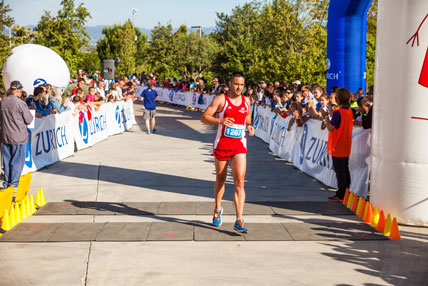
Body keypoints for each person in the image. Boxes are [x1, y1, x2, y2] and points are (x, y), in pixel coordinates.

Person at [200, 71, 255, 233]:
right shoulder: (221, 99)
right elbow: (204, 117)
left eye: (242, 85)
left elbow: (248, 116)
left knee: (239, 182)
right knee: (221, 179)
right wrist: (220, 120)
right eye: (236, 84)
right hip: (222, 144)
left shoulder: (246, 100)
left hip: (239, 145)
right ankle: (217, 209)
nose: (239, 88)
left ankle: (239, 219)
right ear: (230, 84)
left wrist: (249, 125)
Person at [0, 81, 33, 189]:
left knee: (7, 161)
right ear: (19, 91)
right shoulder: (20, 103)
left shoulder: (3, 102)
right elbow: (29, 120)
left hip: (5, 136)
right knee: (17, 161)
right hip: (18, 137)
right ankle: (13, 184)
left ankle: (6, 183)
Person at [323, 88, 354, 202]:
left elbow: (330, 127)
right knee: (345, 169)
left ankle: (341, 194)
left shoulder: (338, 112)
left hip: (337, 145)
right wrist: (331, 114)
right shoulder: (349, 111)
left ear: (338, 98)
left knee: (340, 171)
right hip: (346, 144)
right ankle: (346, 191)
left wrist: (325, 117)